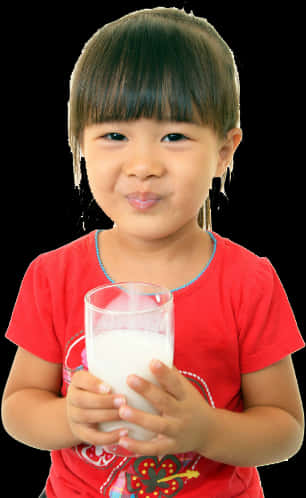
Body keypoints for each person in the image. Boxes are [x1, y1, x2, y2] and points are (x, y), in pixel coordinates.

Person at [1, 7, 304, 498]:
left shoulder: (248, 280)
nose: (143, 166)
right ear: (79, 143)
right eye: (114, 136)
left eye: (175, 136)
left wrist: (204, 429)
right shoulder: (52, 275)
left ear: (225, 150)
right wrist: (68, 418)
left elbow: (285, 428)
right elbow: (18, 408)